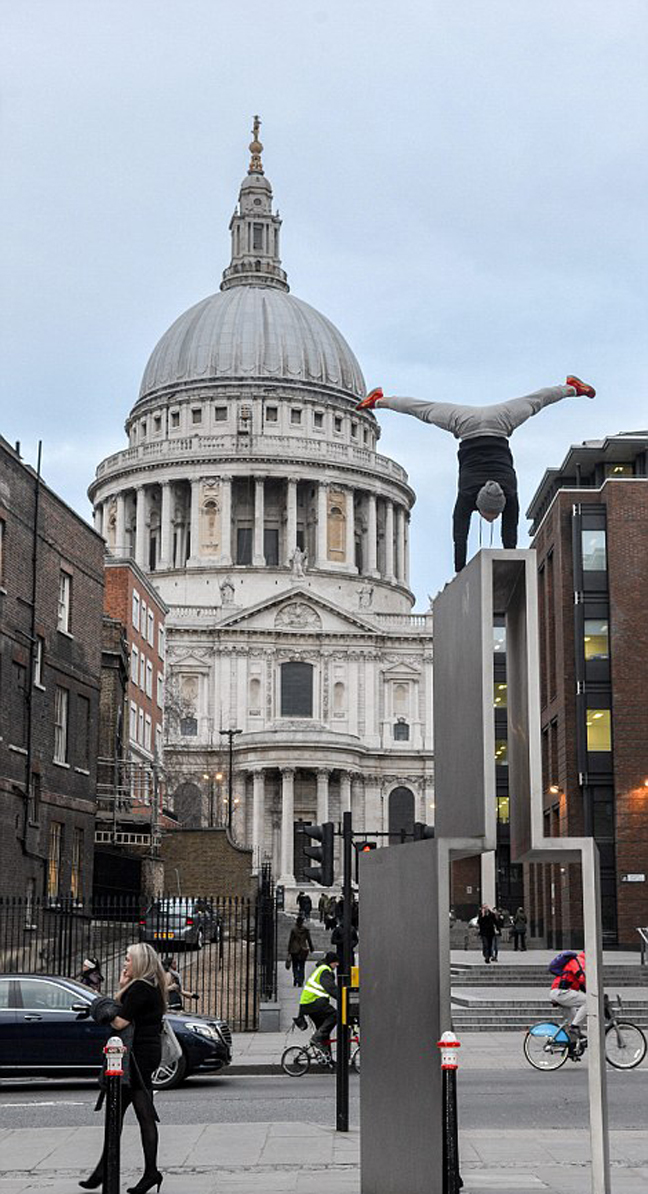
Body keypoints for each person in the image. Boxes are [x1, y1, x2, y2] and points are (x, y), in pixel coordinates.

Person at [357, 377, 596, 572]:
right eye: (492, 515)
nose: (491, 519)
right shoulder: (476, 494)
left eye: (491, 515)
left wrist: (461, 570)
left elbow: (467, 534)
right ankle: (571, 388)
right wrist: (461, 570)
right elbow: (475, 535)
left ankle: (380, 400)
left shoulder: (505, 494)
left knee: (424, 409)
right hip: (477, 424)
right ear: (480, 505)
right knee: (536, 401)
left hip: (488, 422)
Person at [80, 942, 166, 1194]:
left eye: (128, 959)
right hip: (144, 1053)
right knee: (134, 1113)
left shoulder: (140, 988)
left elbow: (119, 1021)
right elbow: (129, 1011)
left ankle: (141, 1172)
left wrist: (99, 1006)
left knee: (131, 1113)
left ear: (139, 961)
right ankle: (116, 1169)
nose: (125, 962)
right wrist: (121, 988)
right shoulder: (149, 985)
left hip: (136, 1056)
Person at [298, 951, 339, 1061]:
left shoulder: (322, 969)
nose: (337, 965)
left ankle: (327, 1060)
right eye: (336, 962)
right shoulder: (325, 971)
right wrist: (343, 998)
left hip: (310, 1004)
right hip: (313, 1003)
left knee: (324, 1033)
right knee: (335, 1015)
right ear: (331, 962)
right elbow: (330, 988)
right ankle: (316, 1038)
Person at [550, 951, 587, 1053]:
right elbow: (582, 977)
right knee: (589, 1001)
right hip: (561, 992)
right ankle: (574, 1028)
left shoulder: (579, 961)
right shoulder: (578, 961)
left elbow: (582, 986)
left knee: (573, 1021)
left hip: (561, 992)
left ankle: (571, 1049)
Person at [287, 915, 314, 987]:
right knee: (302, 966)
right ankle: (300, 980)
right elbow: (309, 939)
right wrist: (311, 948)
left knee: (295, 965)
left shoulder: (293, 930)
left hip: (294, 949)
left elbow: (291, 940)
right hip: (303, 949)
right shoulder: (305, 930)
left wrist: (289, 950)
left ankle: (296, 977)